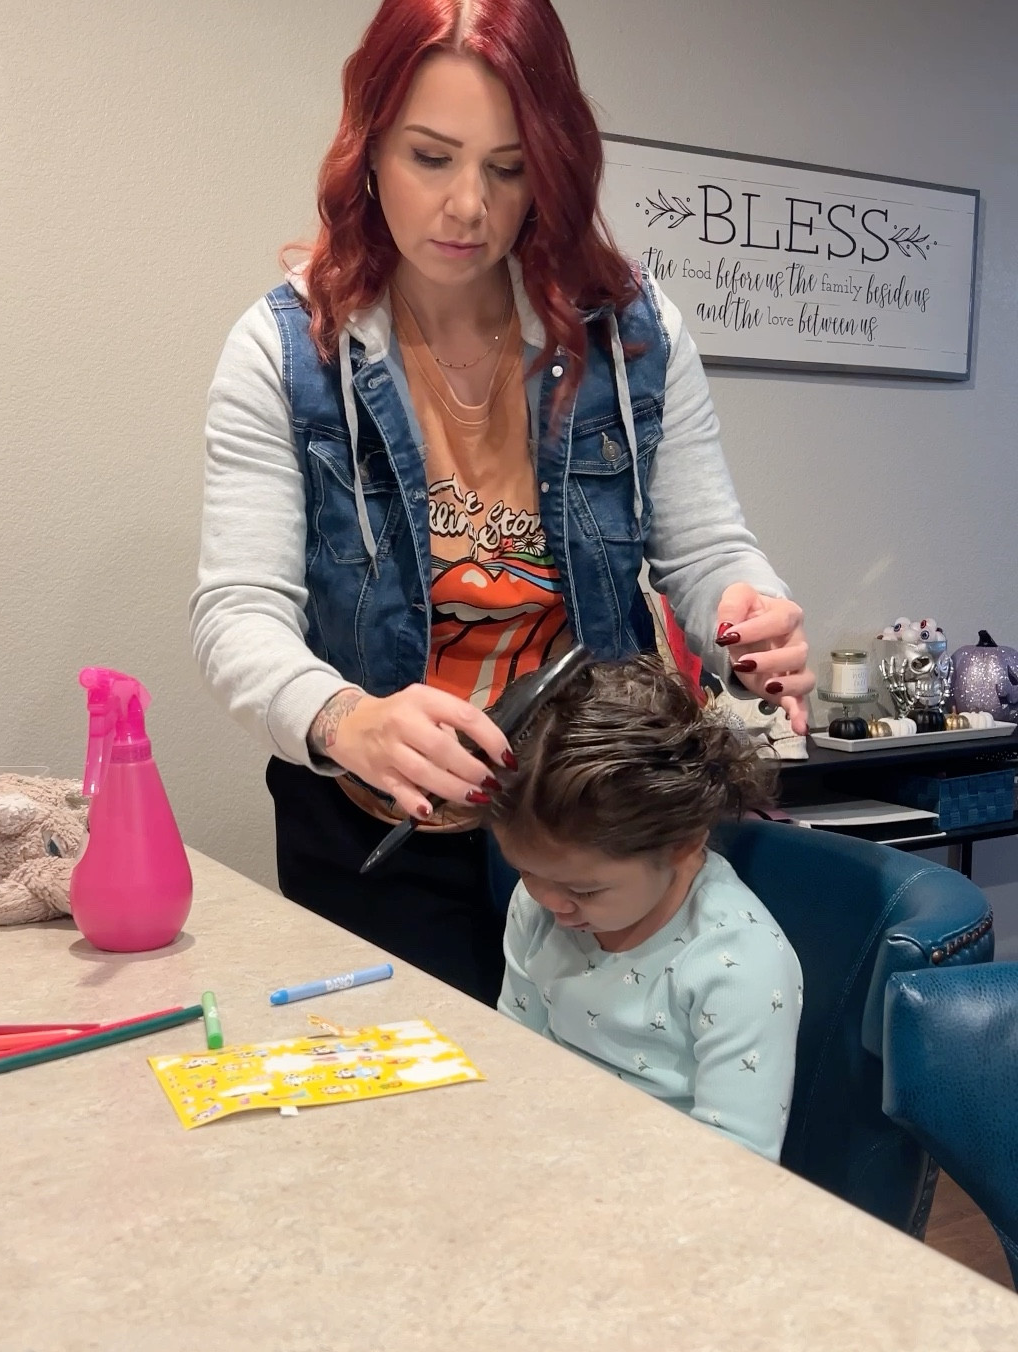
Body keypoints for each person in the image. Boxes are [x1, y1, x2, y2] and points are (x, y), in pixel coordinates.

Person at [190, 0, 814, 1008]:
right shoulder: (284, 354)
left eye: (509, 167)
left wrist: (751, 607)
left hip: (592, 818)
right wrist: (346, 717)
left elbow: (706, 552)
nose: (469, 206)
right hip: (379, 829)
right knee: (419, 1124)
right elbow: (237, 614)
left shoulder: (633, 336)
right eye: (431, 157)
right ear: (368, 148)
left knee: (613, 1111)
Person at [490, 655, 802, 1163]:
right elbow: (518, 1056)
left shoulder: (737, 966)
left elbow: (737, 1164)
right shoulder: (541, 903)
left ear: (682, 843)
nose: (547, 901)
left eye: (585, 891)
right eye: (525, 871)